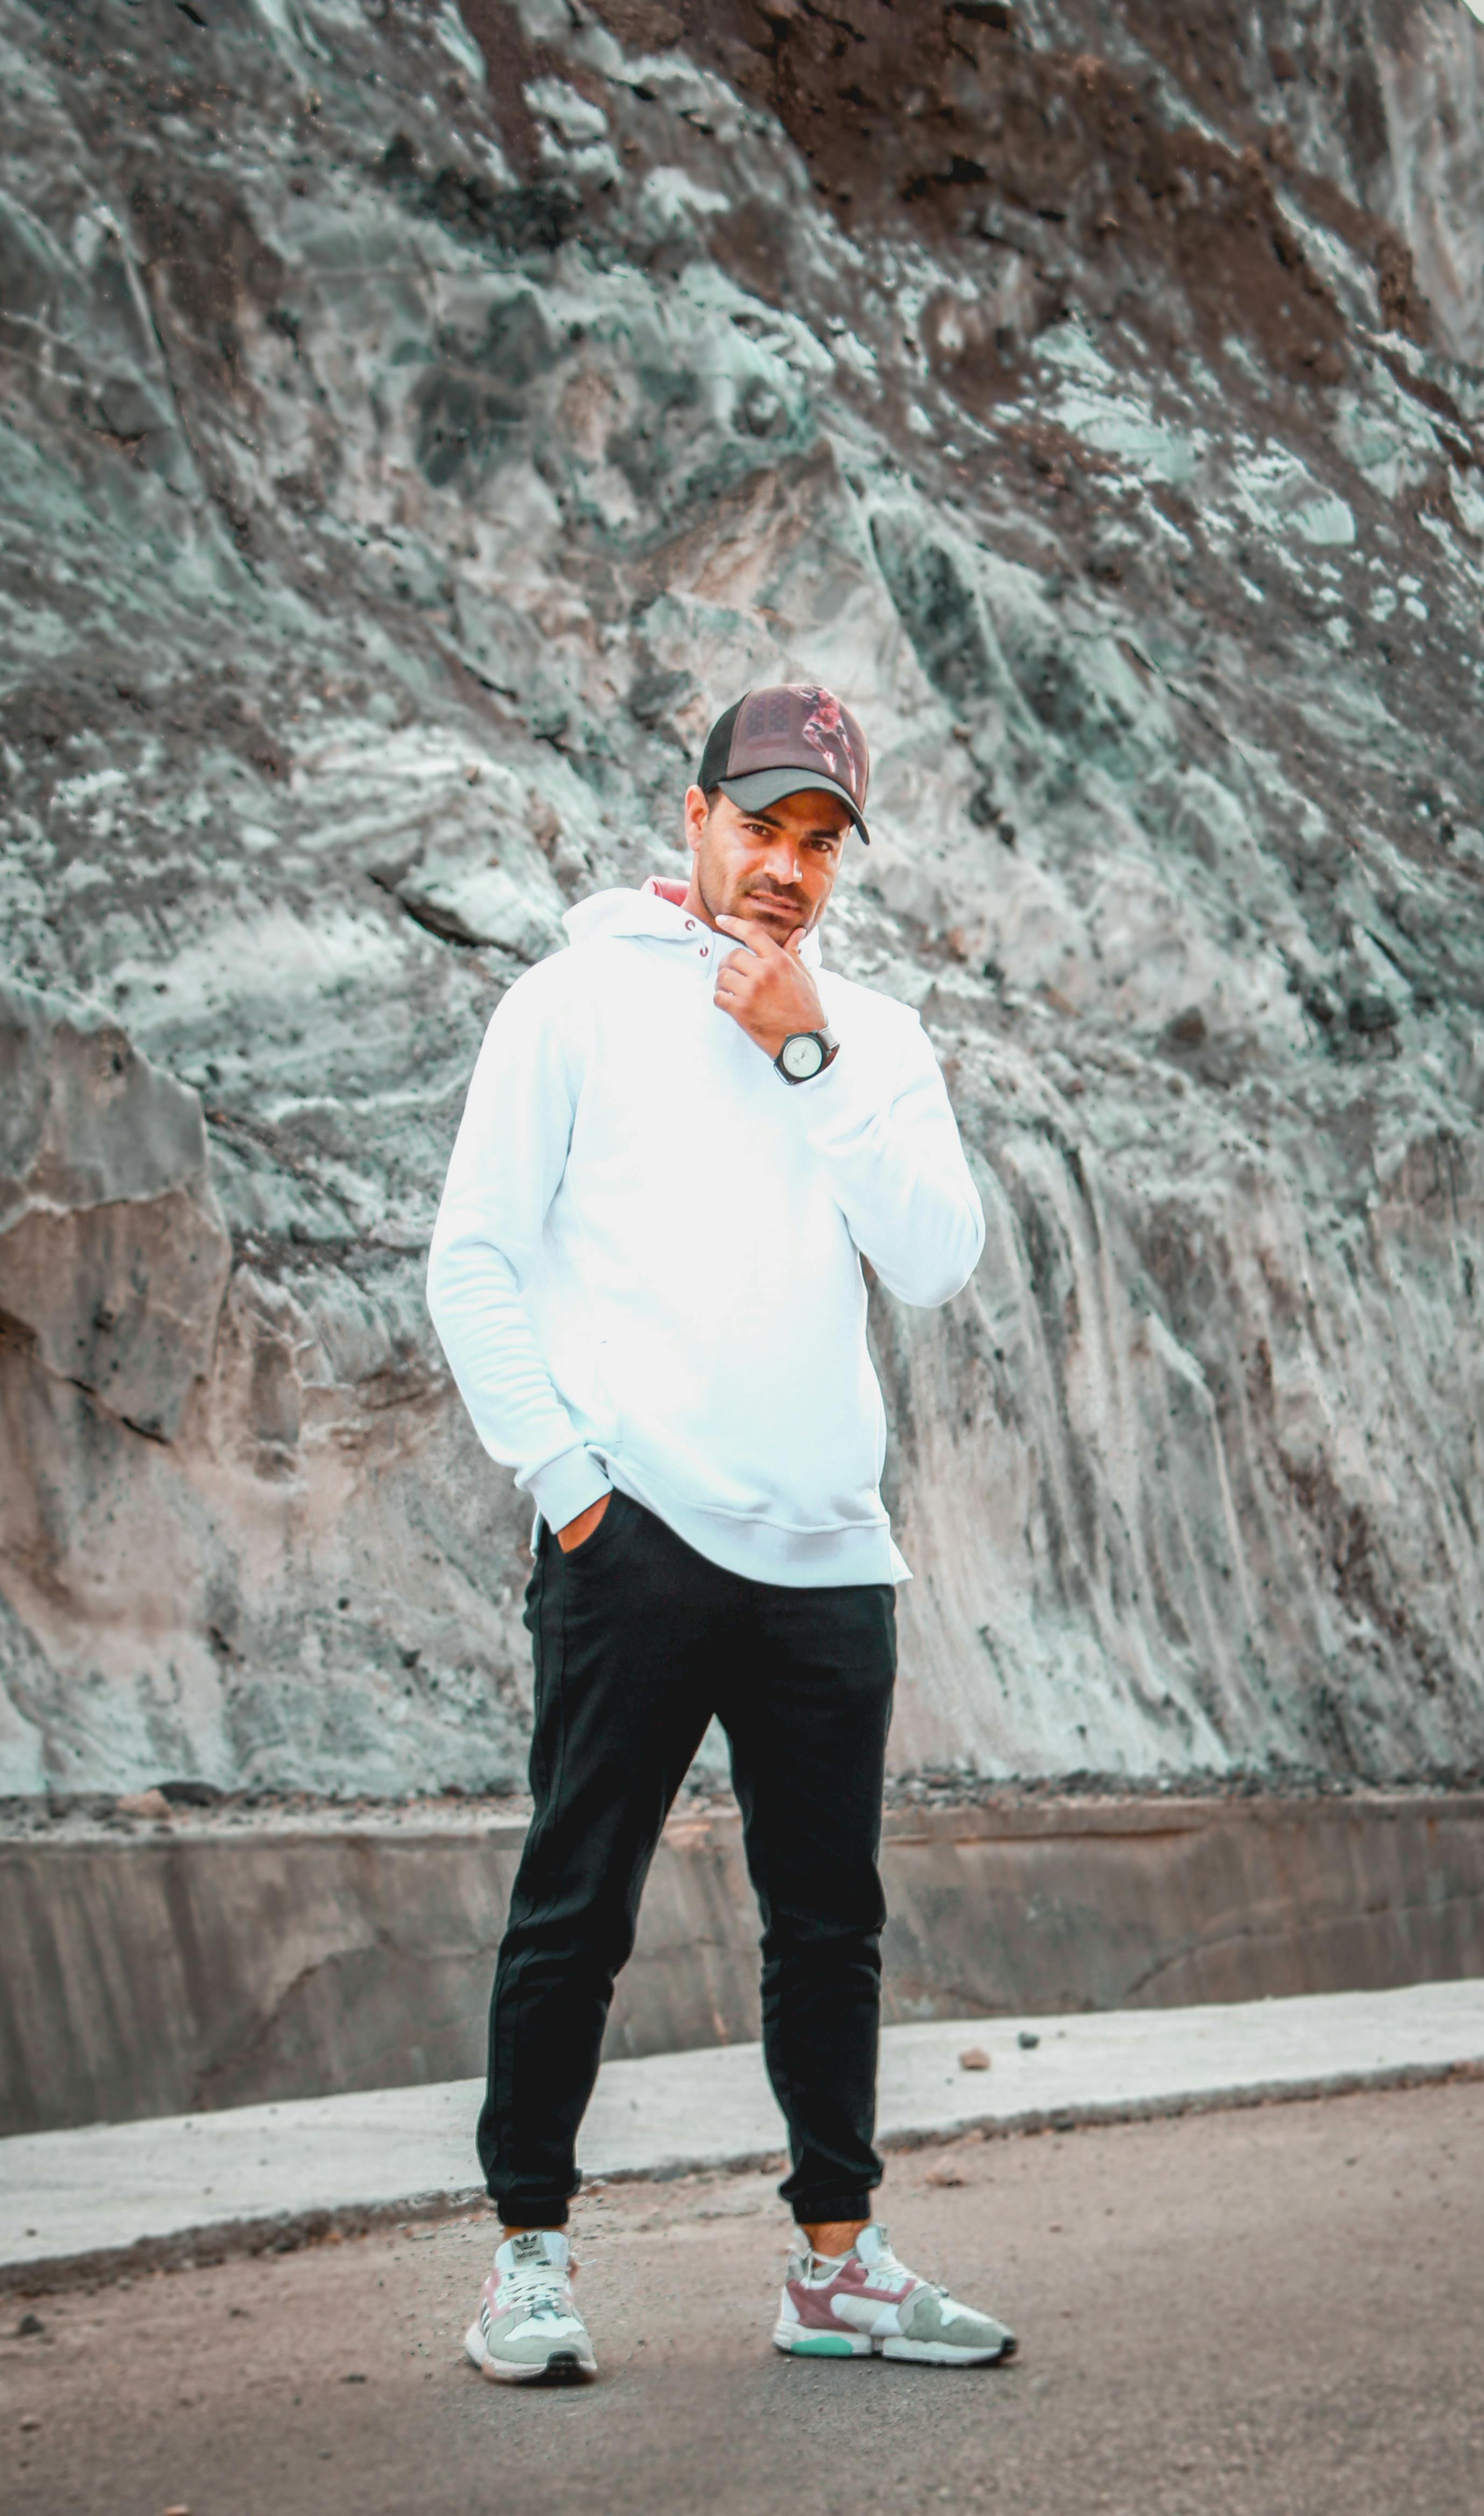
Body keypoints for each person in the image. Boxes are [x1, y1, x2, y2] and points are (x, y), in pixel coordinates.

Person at [427, 683, 1014, 2382]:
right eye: (762, 827)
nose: (787, 868)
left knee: (826, 1928)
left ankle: (835, 2266)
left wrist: (807, 1047)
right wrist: (574, 1494)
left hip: (828, 1554)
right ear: (690, 817)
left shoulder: (871, 1038)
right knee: (577, 1907)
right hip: (639, 1541)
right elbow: (471, 1256)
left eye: (820, 841)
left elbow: (936, 1260)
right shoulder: (571, 1005)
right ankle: (524, 2257)